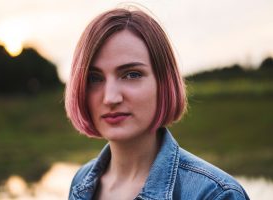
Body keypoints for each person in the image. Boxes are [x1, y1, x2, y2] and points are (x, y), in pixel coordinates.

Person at [65, 7, 249, 200]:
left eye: (132, 74)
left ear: (163, 82)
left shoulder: (214, 194)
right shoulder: (81, 182)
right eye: (94, 78)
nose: (110, 98)